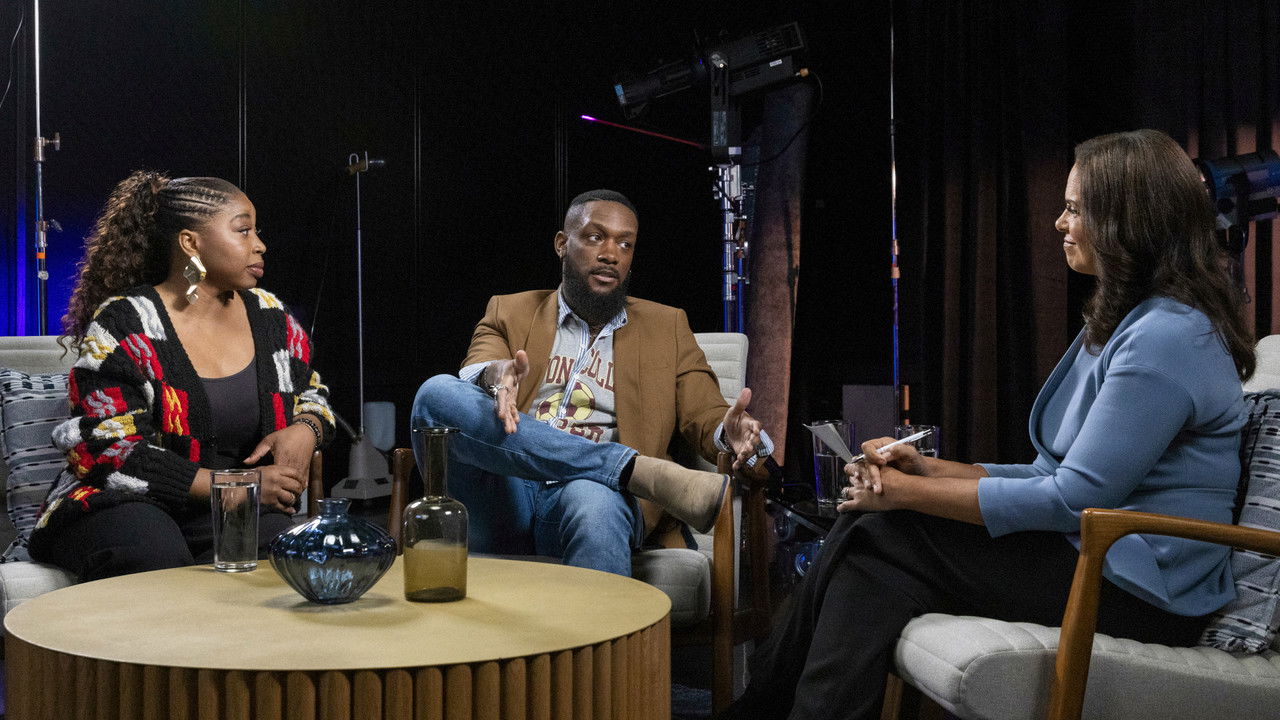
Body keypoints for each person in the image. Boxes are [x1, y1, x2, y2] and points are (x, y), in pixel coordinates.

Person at [724, 129, 1256, 719]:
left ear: (1127, 223)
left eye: (1075, 209)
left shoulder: (1167, 335)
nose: (1059, 222)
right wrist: (928, 470)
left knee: (883, 533)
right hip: (1099, 552)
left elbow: (1073, 497)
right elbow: (1052, 473)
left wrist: (908, 493)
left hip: (1145, 586)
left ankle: (757, 708)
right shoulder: (1130, 319)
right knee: (874, 563)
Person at [411, 189, 771, 576]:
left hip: (589, 493)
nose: (611, 254)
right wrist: (492, 374)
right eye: (596, 237)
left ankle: (613, 480)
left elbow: (706, 412)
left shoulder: (667, 327)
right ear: (562, 244)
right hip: (504, 494)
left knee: (595, 502)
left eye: (625, 244)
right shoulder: (509, 310)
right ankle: (630, 468)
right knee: (435, 394)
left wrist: (732, 432)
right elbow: (480, 362)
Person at [28, 170, 336, 581]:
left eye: (257, 232)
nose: (259, 245)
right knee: (154, 553)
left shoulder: (270, 317)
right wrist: (232, 485)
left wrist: (307, 427)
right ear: (191, 242)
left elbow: (312, 393)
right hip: (122, 502)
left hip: (229, 509)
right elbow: (106, 449)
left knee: (300, 559)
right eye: (243, 231)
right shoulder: (126, 323)